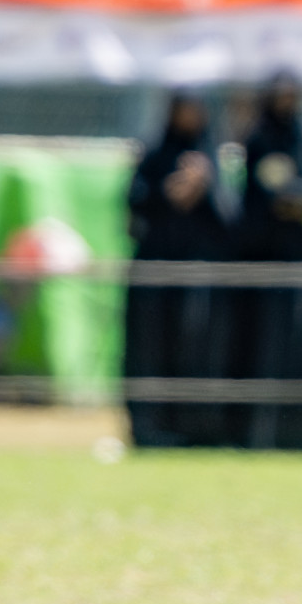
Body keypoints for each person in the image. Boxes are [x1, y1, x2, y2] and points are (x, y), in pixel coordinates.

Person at [124, 94, 232, 447]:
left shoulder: (210, 158)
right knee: (151, 348)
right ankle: (150, 427)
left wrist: (204, 184)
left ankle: (197, 428)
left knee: (197, 347)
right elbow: (136, 207)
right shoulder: (155, 156)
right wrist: (171, 191)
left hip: (199, 277)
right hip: (156, 275)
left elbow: (229, 221)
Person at [232, 73, 302, 449]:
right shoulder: (259, 139)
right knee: (259, 346)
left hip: (298, 260)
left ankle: (295, 433)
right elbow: (255, 196)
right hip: (260, 260)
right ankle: (257, 434)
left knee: (296, 345)